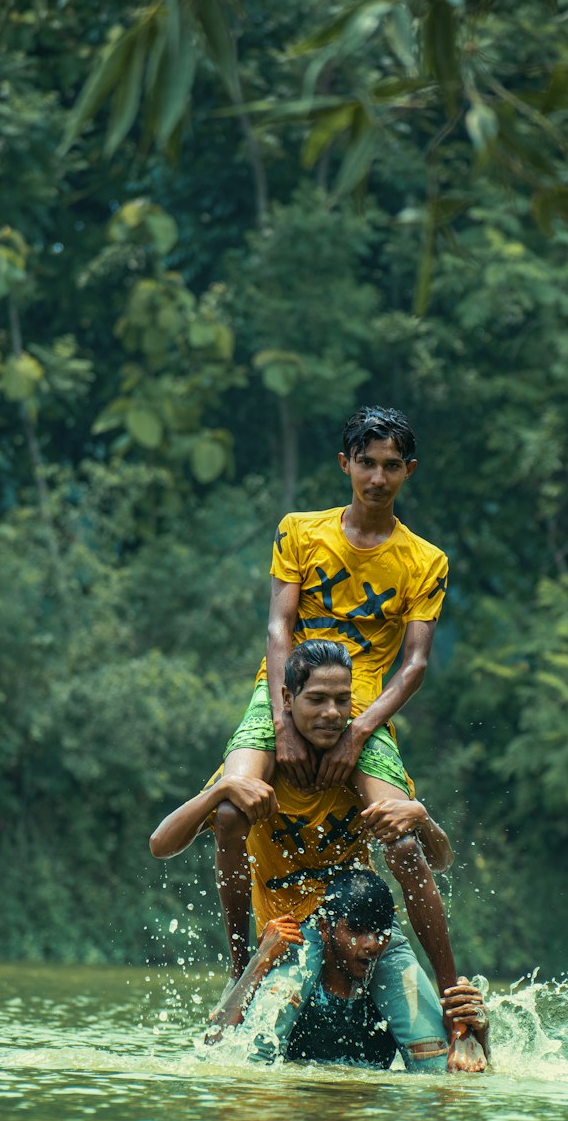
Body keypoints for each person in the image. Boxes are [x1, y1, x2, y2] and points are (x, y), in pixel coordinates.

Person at [150, 640, 487, 1071]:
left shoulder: (365, 762)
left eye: (342, 701)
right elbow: (160, 845)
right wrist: (219, 789)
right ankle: (238, 973)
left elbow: (437, 860)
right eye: (317, 700)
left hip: (358, 924)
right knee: (249, 1063)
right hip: (291, 933)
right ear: (287, 700)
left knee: (442, 1068)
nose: (331, 713)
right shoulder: (260, 762)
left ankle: (456, 1019)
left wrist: (421, 816)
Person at [214, 406, 452, 987]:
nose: (377, 478)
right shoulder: (300, 530)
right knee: (228, 813)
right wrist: (282, 719)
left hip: (360, 704)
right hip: (285, 694)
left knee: (399, 839)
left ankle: (454, 996)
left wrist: (361, 731)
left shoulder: (426, 561)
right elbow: (277, 628)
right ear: (345, 463)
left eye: (391, 466)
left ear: (408, 471)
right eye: (366, 463)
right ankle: (239, 967)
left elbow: (415, 664)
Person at [205, 869, 490, 1073]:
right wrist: (259, 962)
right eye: (357, 930)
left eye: (380, 932)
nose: (371, 944)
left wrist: (478, 1033)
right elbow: (213, 1051)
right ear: (325, 929)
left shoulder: (391, 994)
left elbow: (459, 1082)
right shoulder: (297, 983)